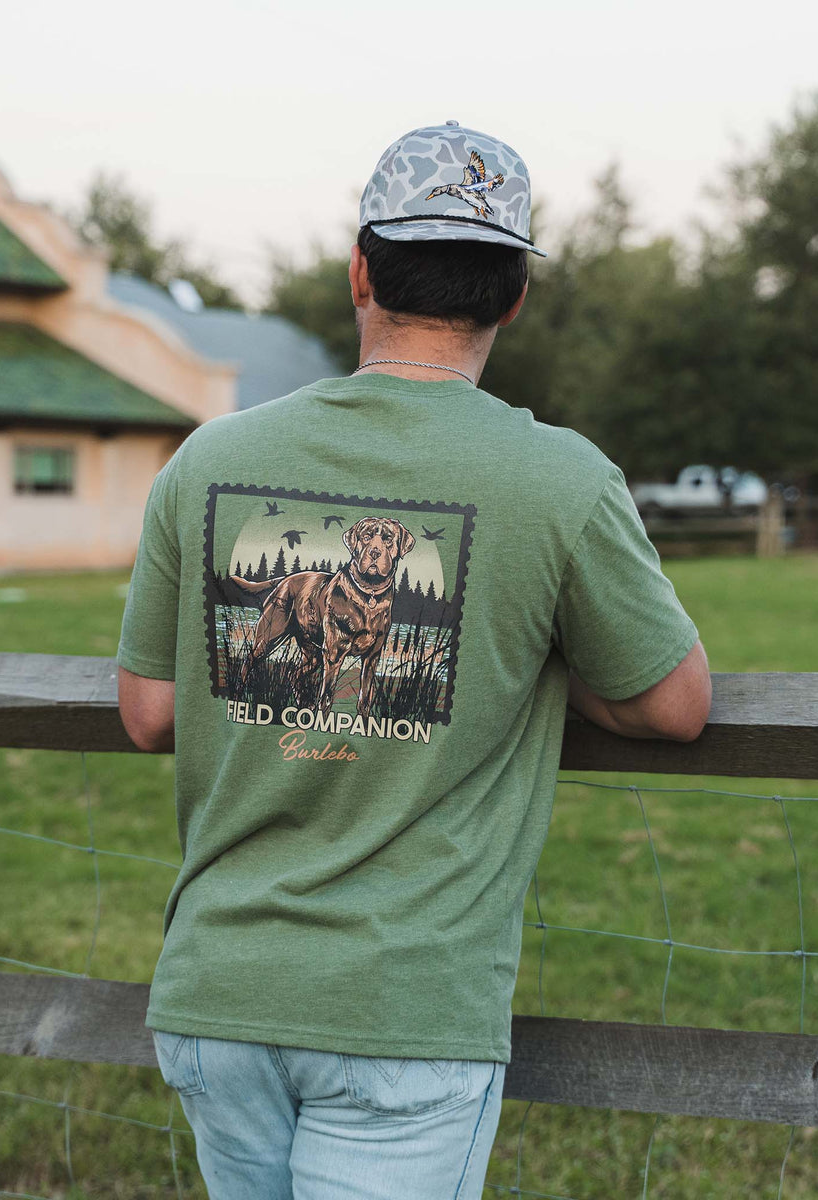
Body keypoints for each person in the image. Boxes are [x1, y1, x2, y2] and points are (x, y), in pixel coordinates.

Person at [116, 120, 711, 1200]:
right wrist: (532, 662)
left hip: (217, 995)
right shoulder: (563, 481)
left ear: (360, 270)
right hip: (403, 1008)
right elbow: (673, 705)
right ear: (514, 295)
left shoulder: (209, 460)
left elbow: (150, 711)